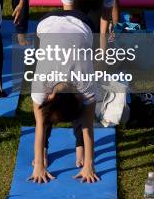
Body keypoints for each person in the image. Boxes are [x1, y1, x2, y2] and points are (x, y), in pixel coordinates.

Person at [29, 11, 100, 184]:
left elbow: (87, 125)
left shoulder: (86, 82)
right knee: (44, 117)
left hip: (82, 24)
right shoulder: (41, 83)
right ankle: (44, 152)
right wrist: (38, 165)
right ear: (50, 97)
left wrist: (89, 165)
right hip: (47, 23)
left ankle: (79, 147)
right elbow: (40, 124)